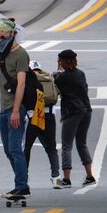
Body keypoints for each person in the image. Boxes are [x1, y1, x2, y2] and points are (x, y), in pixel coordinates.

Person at [0, 18, 31, 199]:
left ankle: (22, 186)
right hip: (4, 109)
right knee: (8, 150)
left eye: (3, 35)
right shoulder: (3, 53)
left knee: (15, 148)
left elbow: (21, 85)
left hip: (15, 108)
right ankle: (21, 182)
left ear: (12, 34)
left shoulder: (21, 55)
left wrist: (17, 111)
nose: (0, 38)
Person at [54, 49, 95, 188]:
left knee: (66, 145)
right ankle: (90, 176)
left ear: (63, 62)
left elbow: (55, 86)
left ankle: (66, 179)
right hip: (86, 110)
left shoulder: (62, 78)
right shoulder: (81, 74)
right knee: (82, 144)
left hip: (72, 112)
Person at [24, 61, 61, 189]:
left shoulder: (28, 79)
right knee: (51, 148)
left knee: (27, 148)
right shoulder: (49, 78)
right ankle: (56, 177)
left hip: (33, 117)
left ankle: (24, 178)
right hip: (49, 116)